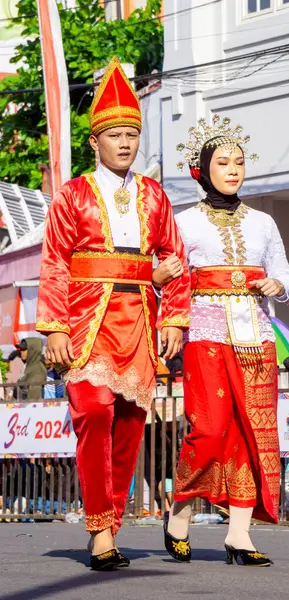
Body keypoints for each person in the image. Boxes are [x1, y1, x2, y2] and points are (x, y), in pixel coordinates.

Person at [36, 57, 190, 571]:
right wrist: (54, 327)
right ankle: (99, 530)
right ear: (95, 141)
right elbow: (55, 260)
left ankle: (111, 526)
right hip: (86, 322)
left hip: (141, 322)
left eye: (132, 133)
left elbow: (176, 259)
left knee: (129, 424)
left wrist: (174, 318)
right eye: (115, 134)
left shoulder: (154, 195)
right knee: (94, 414)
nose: (125, 142)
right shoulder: (72, 195)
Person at [163, 115, 289, 566]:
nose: (234, 169)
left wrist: (278, 286)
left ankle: (240, 535)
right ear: (202, 169)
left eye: (239, 162)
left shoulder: (263, 223)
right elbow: (168, 280)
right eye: (223, 162)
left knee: (252, 433)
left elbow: (284, 273)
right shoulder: (182, 223)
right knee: (211, 429)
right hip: (205, 334)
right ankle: (179, 510)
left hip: (257, 338)